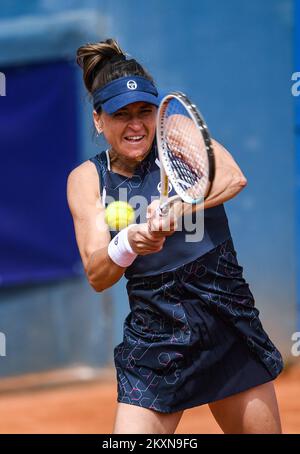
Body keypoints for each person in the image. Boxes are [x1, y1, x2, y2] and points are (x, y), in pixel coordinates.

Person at [67, 38, 283, 434]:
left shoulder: (176, 132)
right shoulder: (86, 180)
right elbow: (98, 274)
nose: (136, 125)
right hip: (156, 331)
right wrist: (130, 242)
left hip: (224, 312)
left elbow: (232, 177)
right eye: (121, 115)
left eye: (145, 111)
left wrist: (175, 211)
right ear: (99, 120)